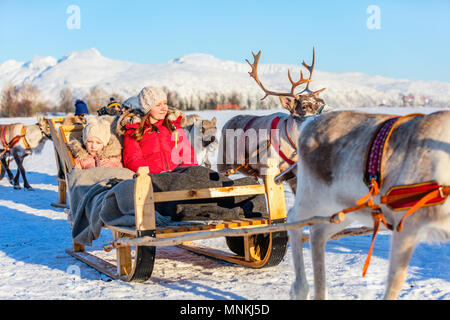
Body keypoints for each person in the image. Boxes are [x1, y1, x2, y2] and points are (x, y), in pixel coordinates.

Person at [122, 86, 197, 173]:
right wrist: (159, 174)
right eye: (158, 105)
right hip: (151, 180)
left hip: (178, 179)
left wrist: (185, 174)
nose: (164, 108)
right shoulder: (134, 130)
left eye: (165, 103)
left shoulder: (173, 127)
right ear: (147, 109)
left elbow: (188, 155)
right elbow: (133, 160)